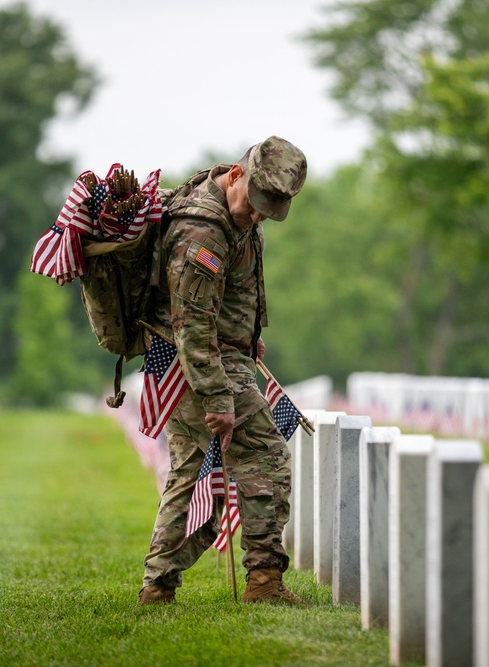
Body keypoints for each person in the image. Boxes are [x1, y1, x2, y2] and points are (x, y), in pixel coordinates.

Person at [138, 136, 308, 606]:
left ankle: (158, 586)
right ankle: (264, 581)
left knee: (190, 475)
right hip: (198, 364)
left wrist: (251, 333)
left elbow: (239, 287)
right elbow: (191, 324)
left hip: (209, 359)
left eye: (267, 211)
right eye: (254, 205)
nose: (256, 216)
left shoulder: (235, 213)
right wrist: (216, 399)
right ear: (237, 174)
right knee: (267, 457)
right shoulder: (203, 233)